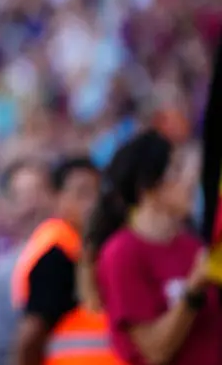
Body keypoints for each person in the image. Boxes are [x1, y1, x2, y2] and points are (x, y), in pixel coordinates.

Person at [87, 130, 222, 365]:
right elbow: (155, 351)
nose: (190, 180)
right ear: (148, 187)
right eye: (176, 171)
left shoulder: (193, 246)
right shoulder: (122, 253)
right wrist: (194, 288)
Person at [11, 158, 119, 365]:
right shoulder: (57, 256)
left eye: (98, 192)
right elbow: (31, 336)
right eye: (82, 193)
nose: (93, 203)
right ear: (57, 198)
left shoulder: (88, 245)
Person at [0, 161, 53, 365]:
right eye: (22, 196)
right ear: (9, 206)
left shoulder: (74, 253)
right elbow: (2, 345)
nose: (32, 204)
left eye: (38, 192)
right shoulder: (0, 272)